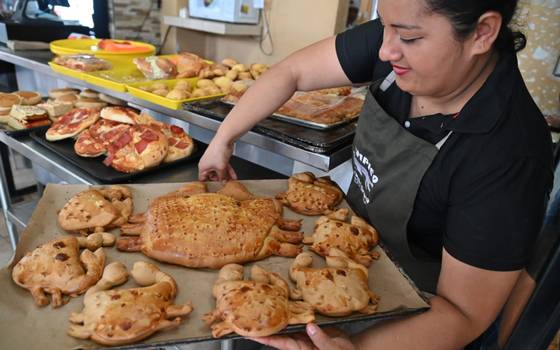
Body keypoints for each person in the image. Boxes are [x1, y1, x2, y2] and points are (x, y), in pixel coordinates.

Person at [198, 0, 554, 348]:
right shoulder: (396, 35)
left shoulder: (508, 154)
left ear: (482, 33)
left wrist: (353, 346)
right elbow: (291, 72)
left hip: (419, 316)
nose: (384, 51)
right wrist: (223, 139)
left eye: (409, 38)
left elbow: (463, 314)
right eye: (384, 25)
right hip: (343, 258)